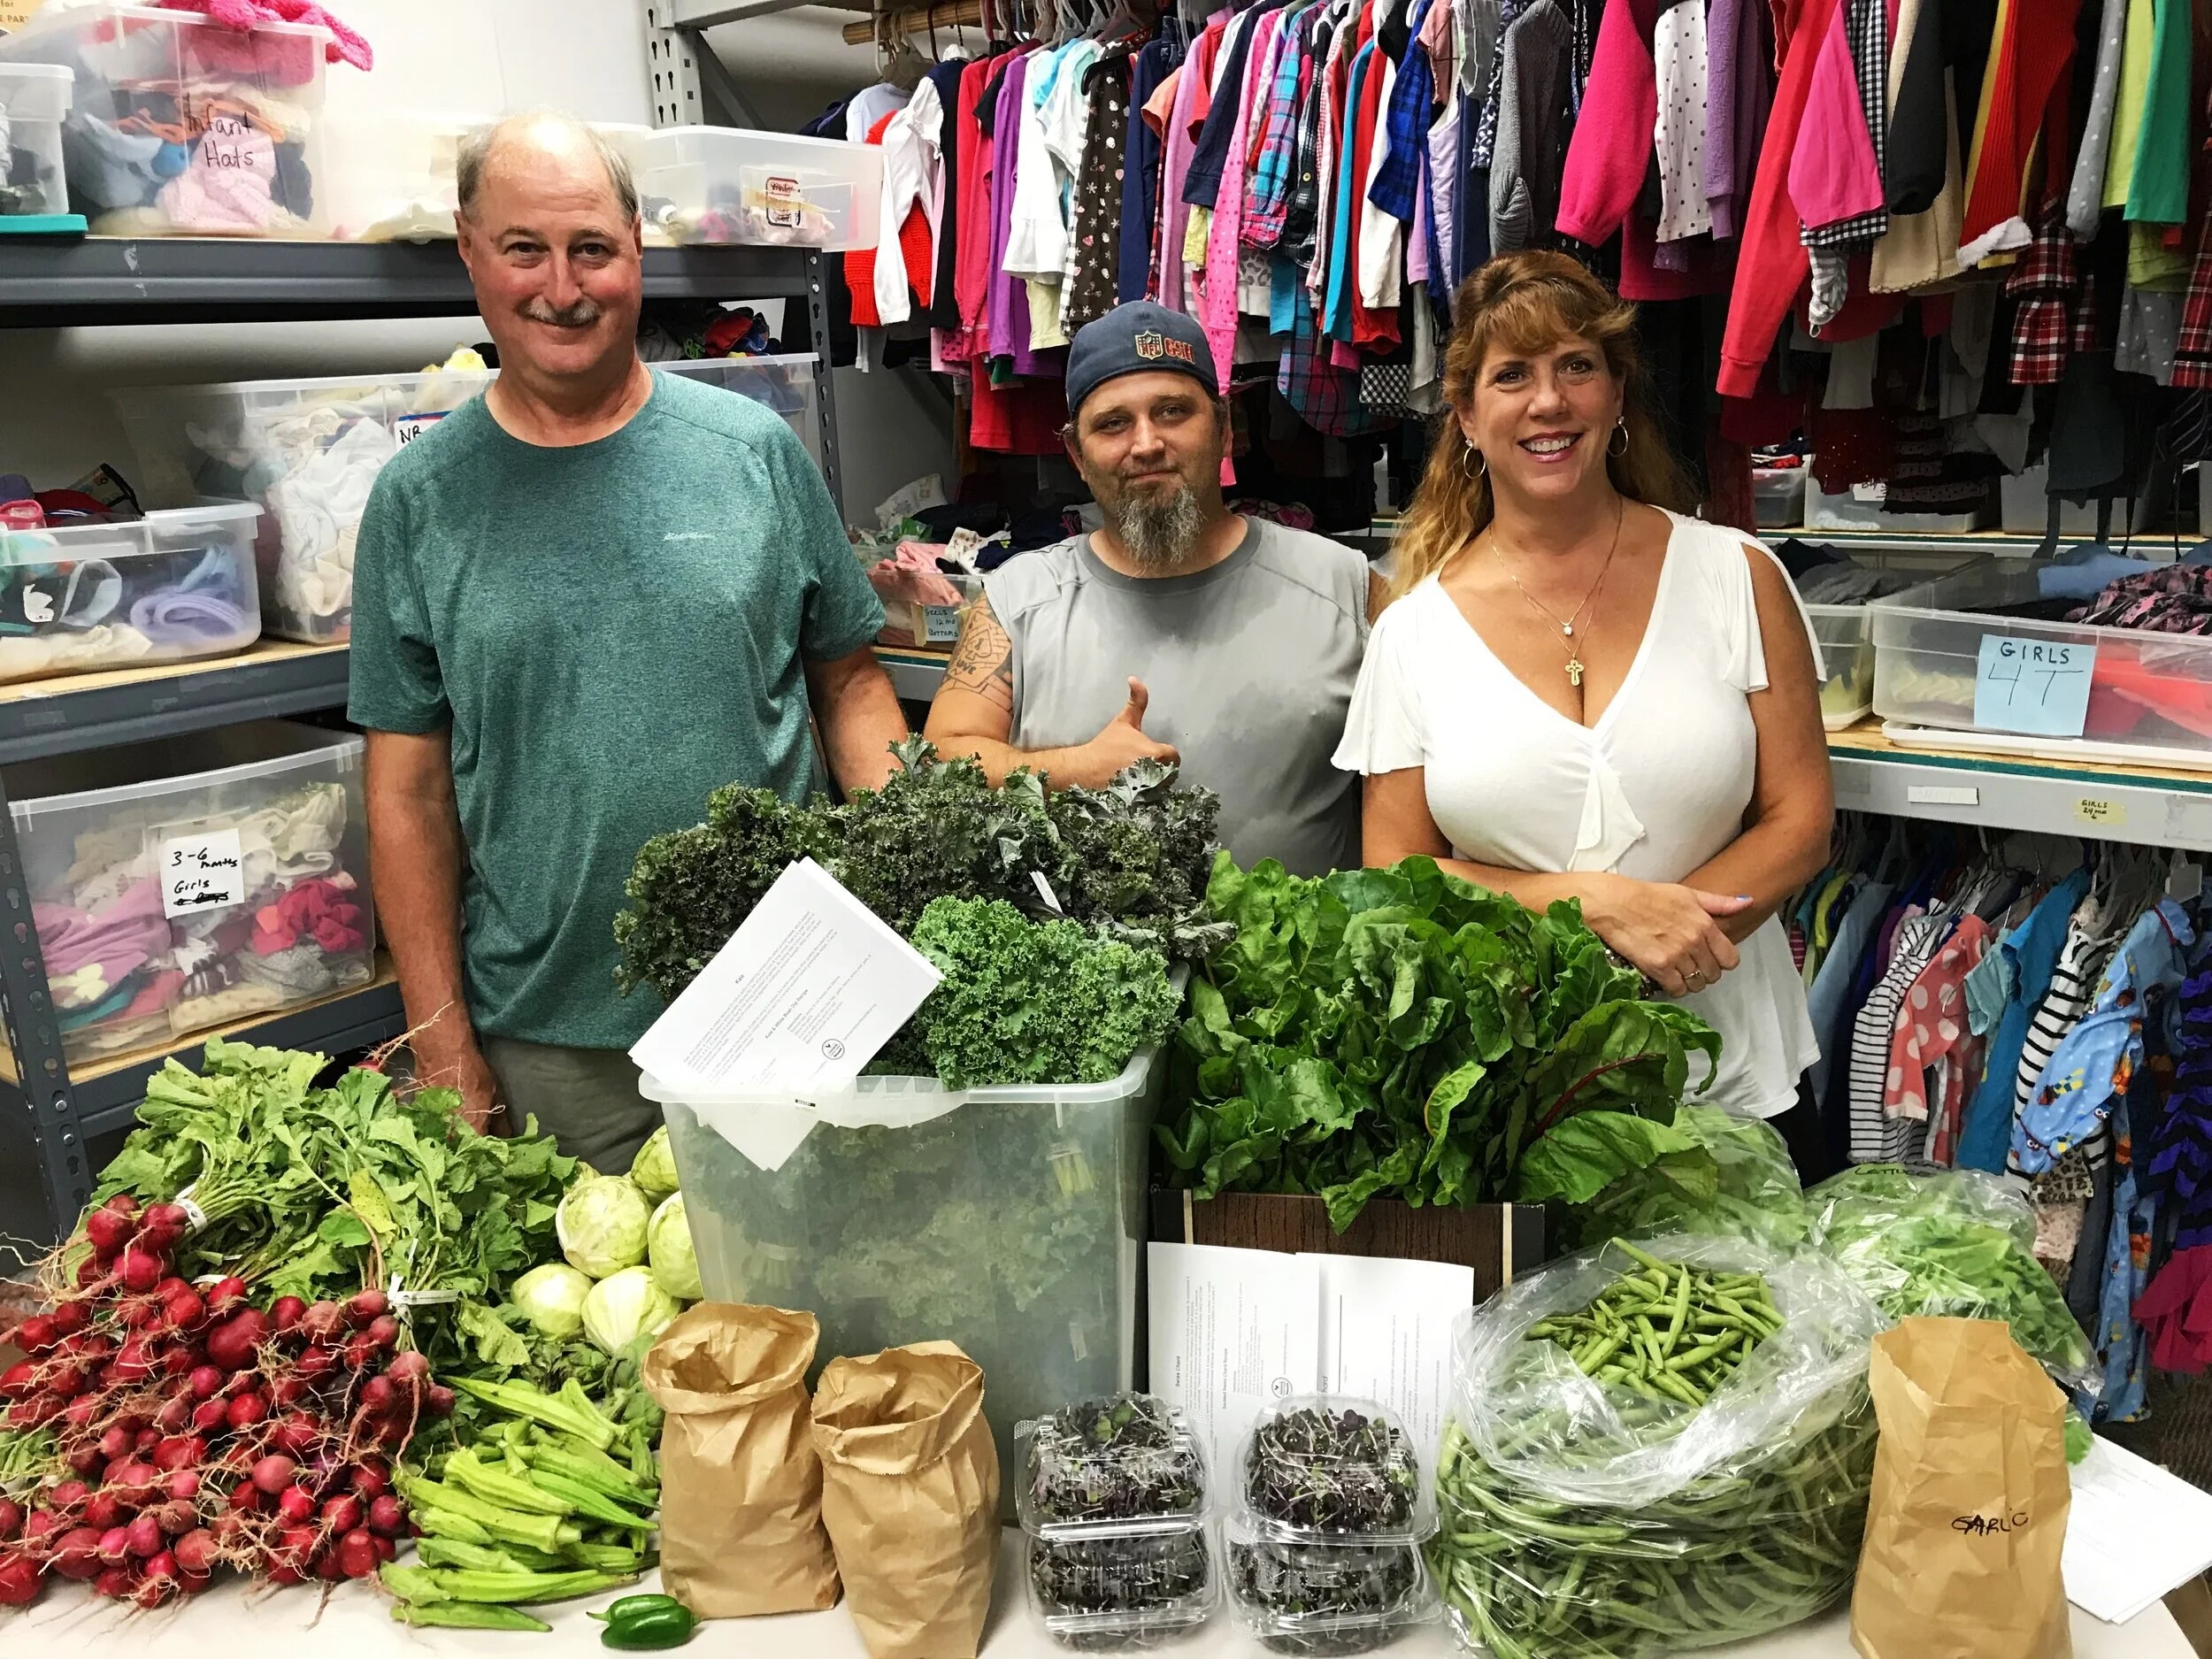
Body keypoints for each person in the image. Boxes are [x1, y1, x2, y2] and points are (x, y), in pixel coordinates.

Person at [348, 111, 907, 1171]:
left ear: (636, 249)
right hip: (553, 1041)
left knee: (826, 1315)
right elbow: (407, 794)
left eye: (591, 249)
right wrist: (442, 1047)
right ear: (471, 250)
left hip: (787, 1005)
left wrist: (895, 911)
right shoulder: (418, 501)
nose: (562, 288)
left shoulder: (752, 452)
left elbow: (850, 682)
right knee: (594, 1329)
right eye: (525, 250)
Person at [1335, 251, 1834, 1162]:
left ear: (1615, 395)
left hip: (1736, 1087)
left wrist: (1675, 940)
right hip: (1521, 1106)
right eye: (1511, 376)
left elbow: (1800, 821)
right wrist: (1588, 905)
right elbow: (1397, 875)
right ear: (1467, 418)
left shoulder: (1735, 577)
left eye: (1577, 366)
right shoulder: (1414, 632)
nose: (1549, 402)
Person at [925, 301, 1379, 877]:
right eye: (1113, 423)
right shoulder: (1016, 601)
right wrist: (1074, 771)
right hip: (1087, 965)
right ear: (1078, 456)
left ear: (1223, 430)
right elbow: (940, 762)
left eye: (1172, 412)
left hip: (1299, 962)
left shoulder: (1346, 587)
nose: (1146, 443)